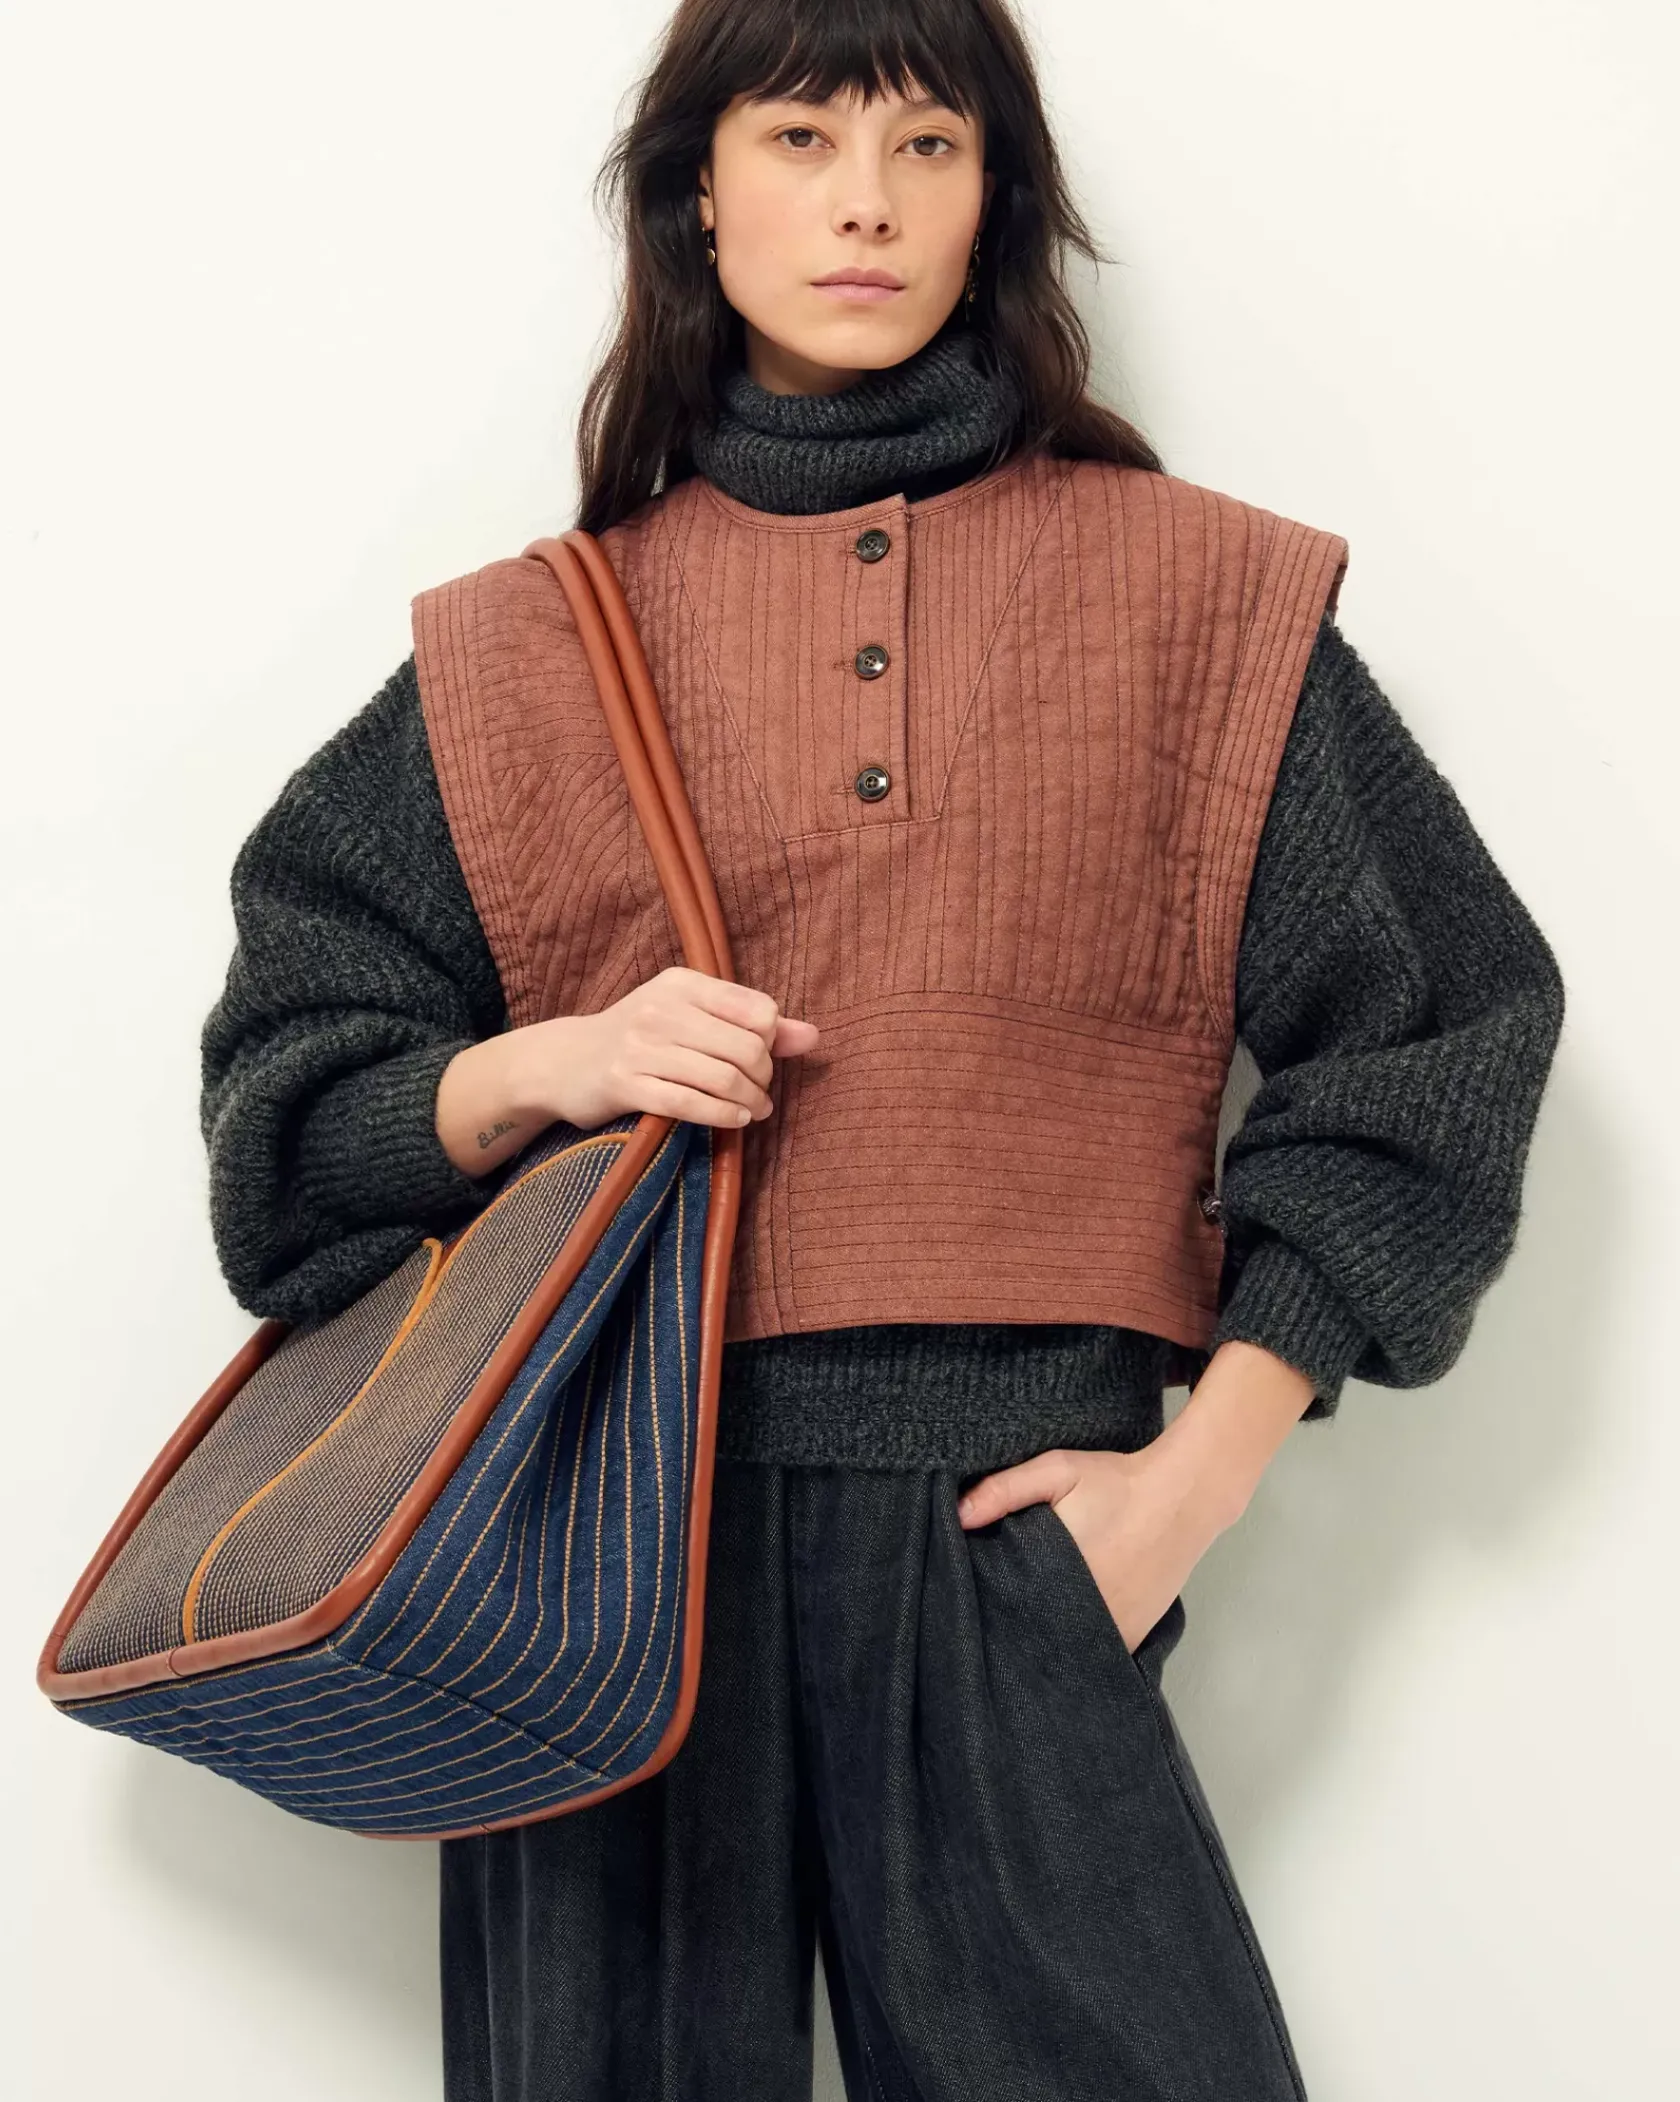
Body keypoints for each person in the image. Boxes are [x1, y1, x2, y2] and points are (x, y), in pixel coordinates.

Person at [197, 2, 1566, 2096]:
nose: (864, 202)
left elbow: (1448, 1025)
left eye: (928, 145)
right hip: (603, 1532)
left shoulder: (1199, 600)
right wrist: (557, 1062)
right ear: (698, 198)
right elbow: (286, 1116)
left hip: (1012, 1518)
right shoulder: (527, 645)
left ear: (993, 201)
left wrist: (1195, 1479)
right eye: (801, 137)